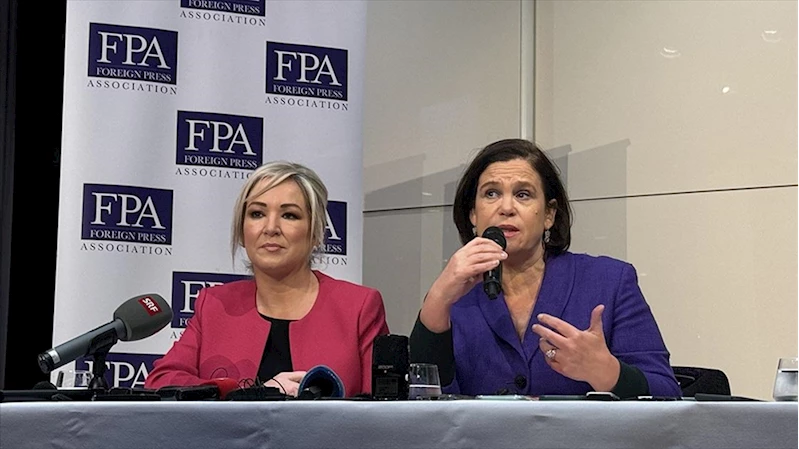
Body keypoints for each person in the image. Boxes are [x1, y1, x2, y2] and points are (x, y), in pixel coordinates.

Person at [409, 139, 681, 398]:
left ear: (549, 214)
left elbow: (667, 394)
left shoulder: (609, 281)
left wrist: (607, 372)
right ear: (473, 214)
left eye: (523, 194)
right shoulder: (453, 294)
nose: (506, 208)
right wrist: (438, 298)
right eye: (491, 193)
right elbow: (423, 402)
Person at [145, 161, 389, 397]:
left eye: (289, 215)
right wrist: (247, 394)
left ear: (315, 232)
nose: (271, 228)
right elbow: (161, 381)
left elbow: (383, 407)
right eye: (257, 213)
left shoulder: (358, 307)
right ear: (242, 231)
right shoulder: (214, 305)